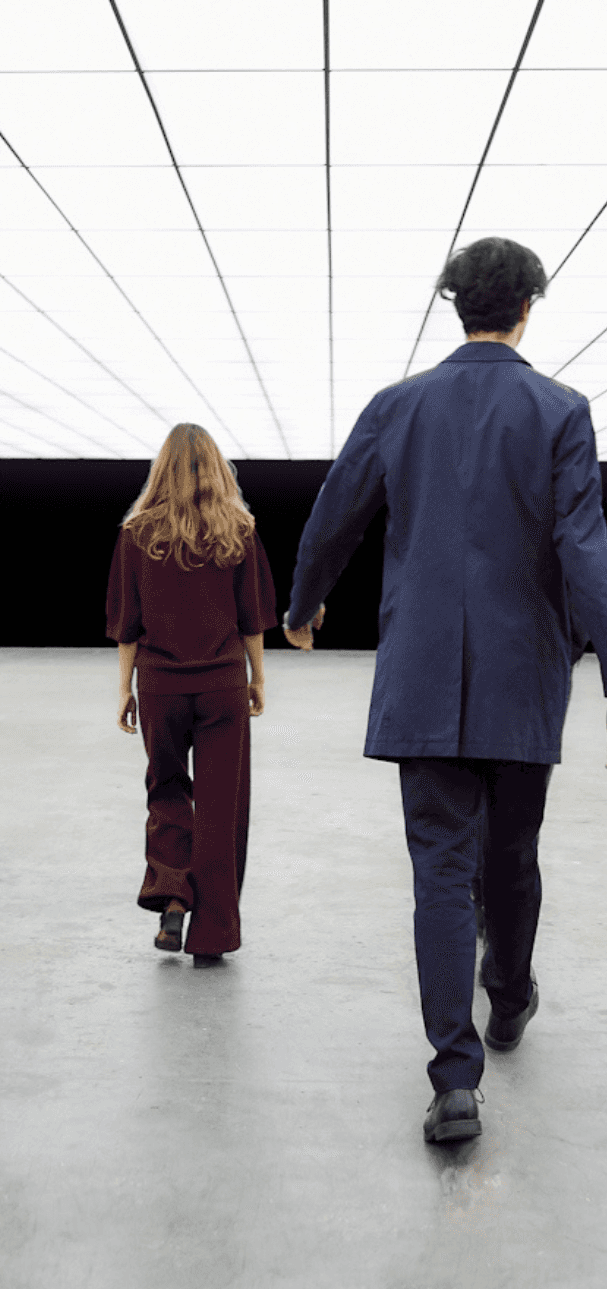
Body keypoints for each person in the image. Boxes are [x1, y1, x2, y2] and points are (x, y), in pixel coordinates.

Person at [283, 236, 607, 1143]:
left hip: (422, 675)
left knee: (439, 873)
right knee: (513, 854)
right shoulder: (562, 409)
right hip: (523, 676)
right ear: (530, 308)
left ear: (453, 305)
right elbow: (584, 545)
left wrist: (302, 604)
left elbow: (335, 512)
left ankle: (454, 1081)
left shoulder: (399, 405)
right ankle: (508, 1002)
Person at [106, 423, 278, 965]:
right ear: (218, 468)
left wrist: (124, 691)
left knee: (167, 791)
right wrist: (257, 677)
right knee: (223, 809)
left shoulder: (136, 534)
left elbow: (126, 625)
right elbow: (253, 618)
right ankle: (214, 934)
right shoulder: (240, 530)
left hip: (160, 684)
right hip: (222, 684)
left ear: (161, 470)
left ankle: (173, 894)